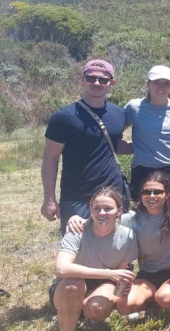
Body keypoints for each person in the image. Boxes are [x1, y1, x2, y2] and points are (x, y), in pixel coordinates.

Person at [70, 172, 170, 324]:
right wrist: (77, 219)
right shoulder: (133, 218)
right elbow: (104, 219)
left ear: (167, 194)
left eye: (157, 192)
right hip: (149, 273)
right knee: (124, 307)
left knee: (166, 298)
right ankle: (152, 303)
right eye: (146, 192)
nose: (151, 196)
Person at [51, 187, 138, 331]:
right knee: (72, 285)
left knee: (98, 307)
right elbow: (61, 269)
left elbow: (122, 276)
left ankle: (87, 317)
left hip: (104, 284)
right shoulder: (77, 229)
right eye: (96, 208)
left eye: (108, 209)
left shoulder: (127, 236)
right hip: (71, 283)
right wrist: (108, 273)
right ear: (89, 209)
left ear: (119, 210)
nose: (102, 213)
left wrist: (123, 296)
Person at [42, 59, 130, 232]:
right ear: (82, 80)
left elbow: (115, 146)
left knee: (118, 249)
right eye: (91, 78)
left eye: (103, 79)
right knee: (79, 251)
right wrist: (49, 199)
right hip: (77, 197)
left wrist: (151, 145)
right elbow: (50, 158)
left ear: (112, 83)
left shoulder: (118, 113)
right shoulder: (64, 117)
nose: (96, 83)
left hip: (114, 194)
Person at [124, 65, 170, 198]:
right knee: (143, 213)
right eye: (156, 82)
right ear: (148, 83)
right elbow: (115, 131)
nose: (161, 87)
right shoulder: (134, 107)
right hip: (143, 169)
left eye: (167, 83)